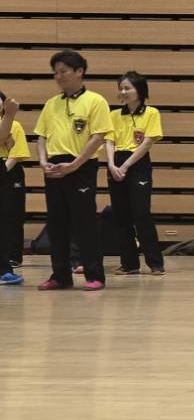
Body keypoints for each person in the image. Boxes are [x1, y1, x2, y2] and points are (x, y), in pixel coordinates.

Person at [34, 50, 113, 291]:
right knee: (56, 223)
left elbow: (98, 136)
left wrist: (75, 165)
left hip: (81, 166)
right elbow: (41, 136)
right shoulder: (51, 104)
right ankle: (60, 275)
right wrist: (43, 161)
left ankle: (94, 274)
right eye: (55, 72)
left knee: (84, 222)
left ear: (79, 71)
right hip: (54, 167)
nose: (58, 76)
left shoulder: (96, 101)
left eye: (63, 71)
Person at [104, 71, 165, 276]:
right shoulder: (114, 115)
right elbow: (109, 141)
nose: (123, 92)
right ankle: (129, 264)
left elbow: (147, 143)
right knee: (121, 215)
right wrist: (111, 165)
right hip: (116, 164)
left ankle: (155, 262)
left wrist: (126, 166)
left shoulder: (151, 113)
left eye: (127, 88)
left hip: (137, 164)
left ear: (139, 90)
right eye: (120, 88)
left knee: (141, 213)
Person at [0, 92, 26, 285]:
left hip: (5, 171)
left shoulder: (12, 125)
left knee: (6, 220)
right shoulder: (8, 122)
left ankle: (4, 268)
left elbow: (12, 148)